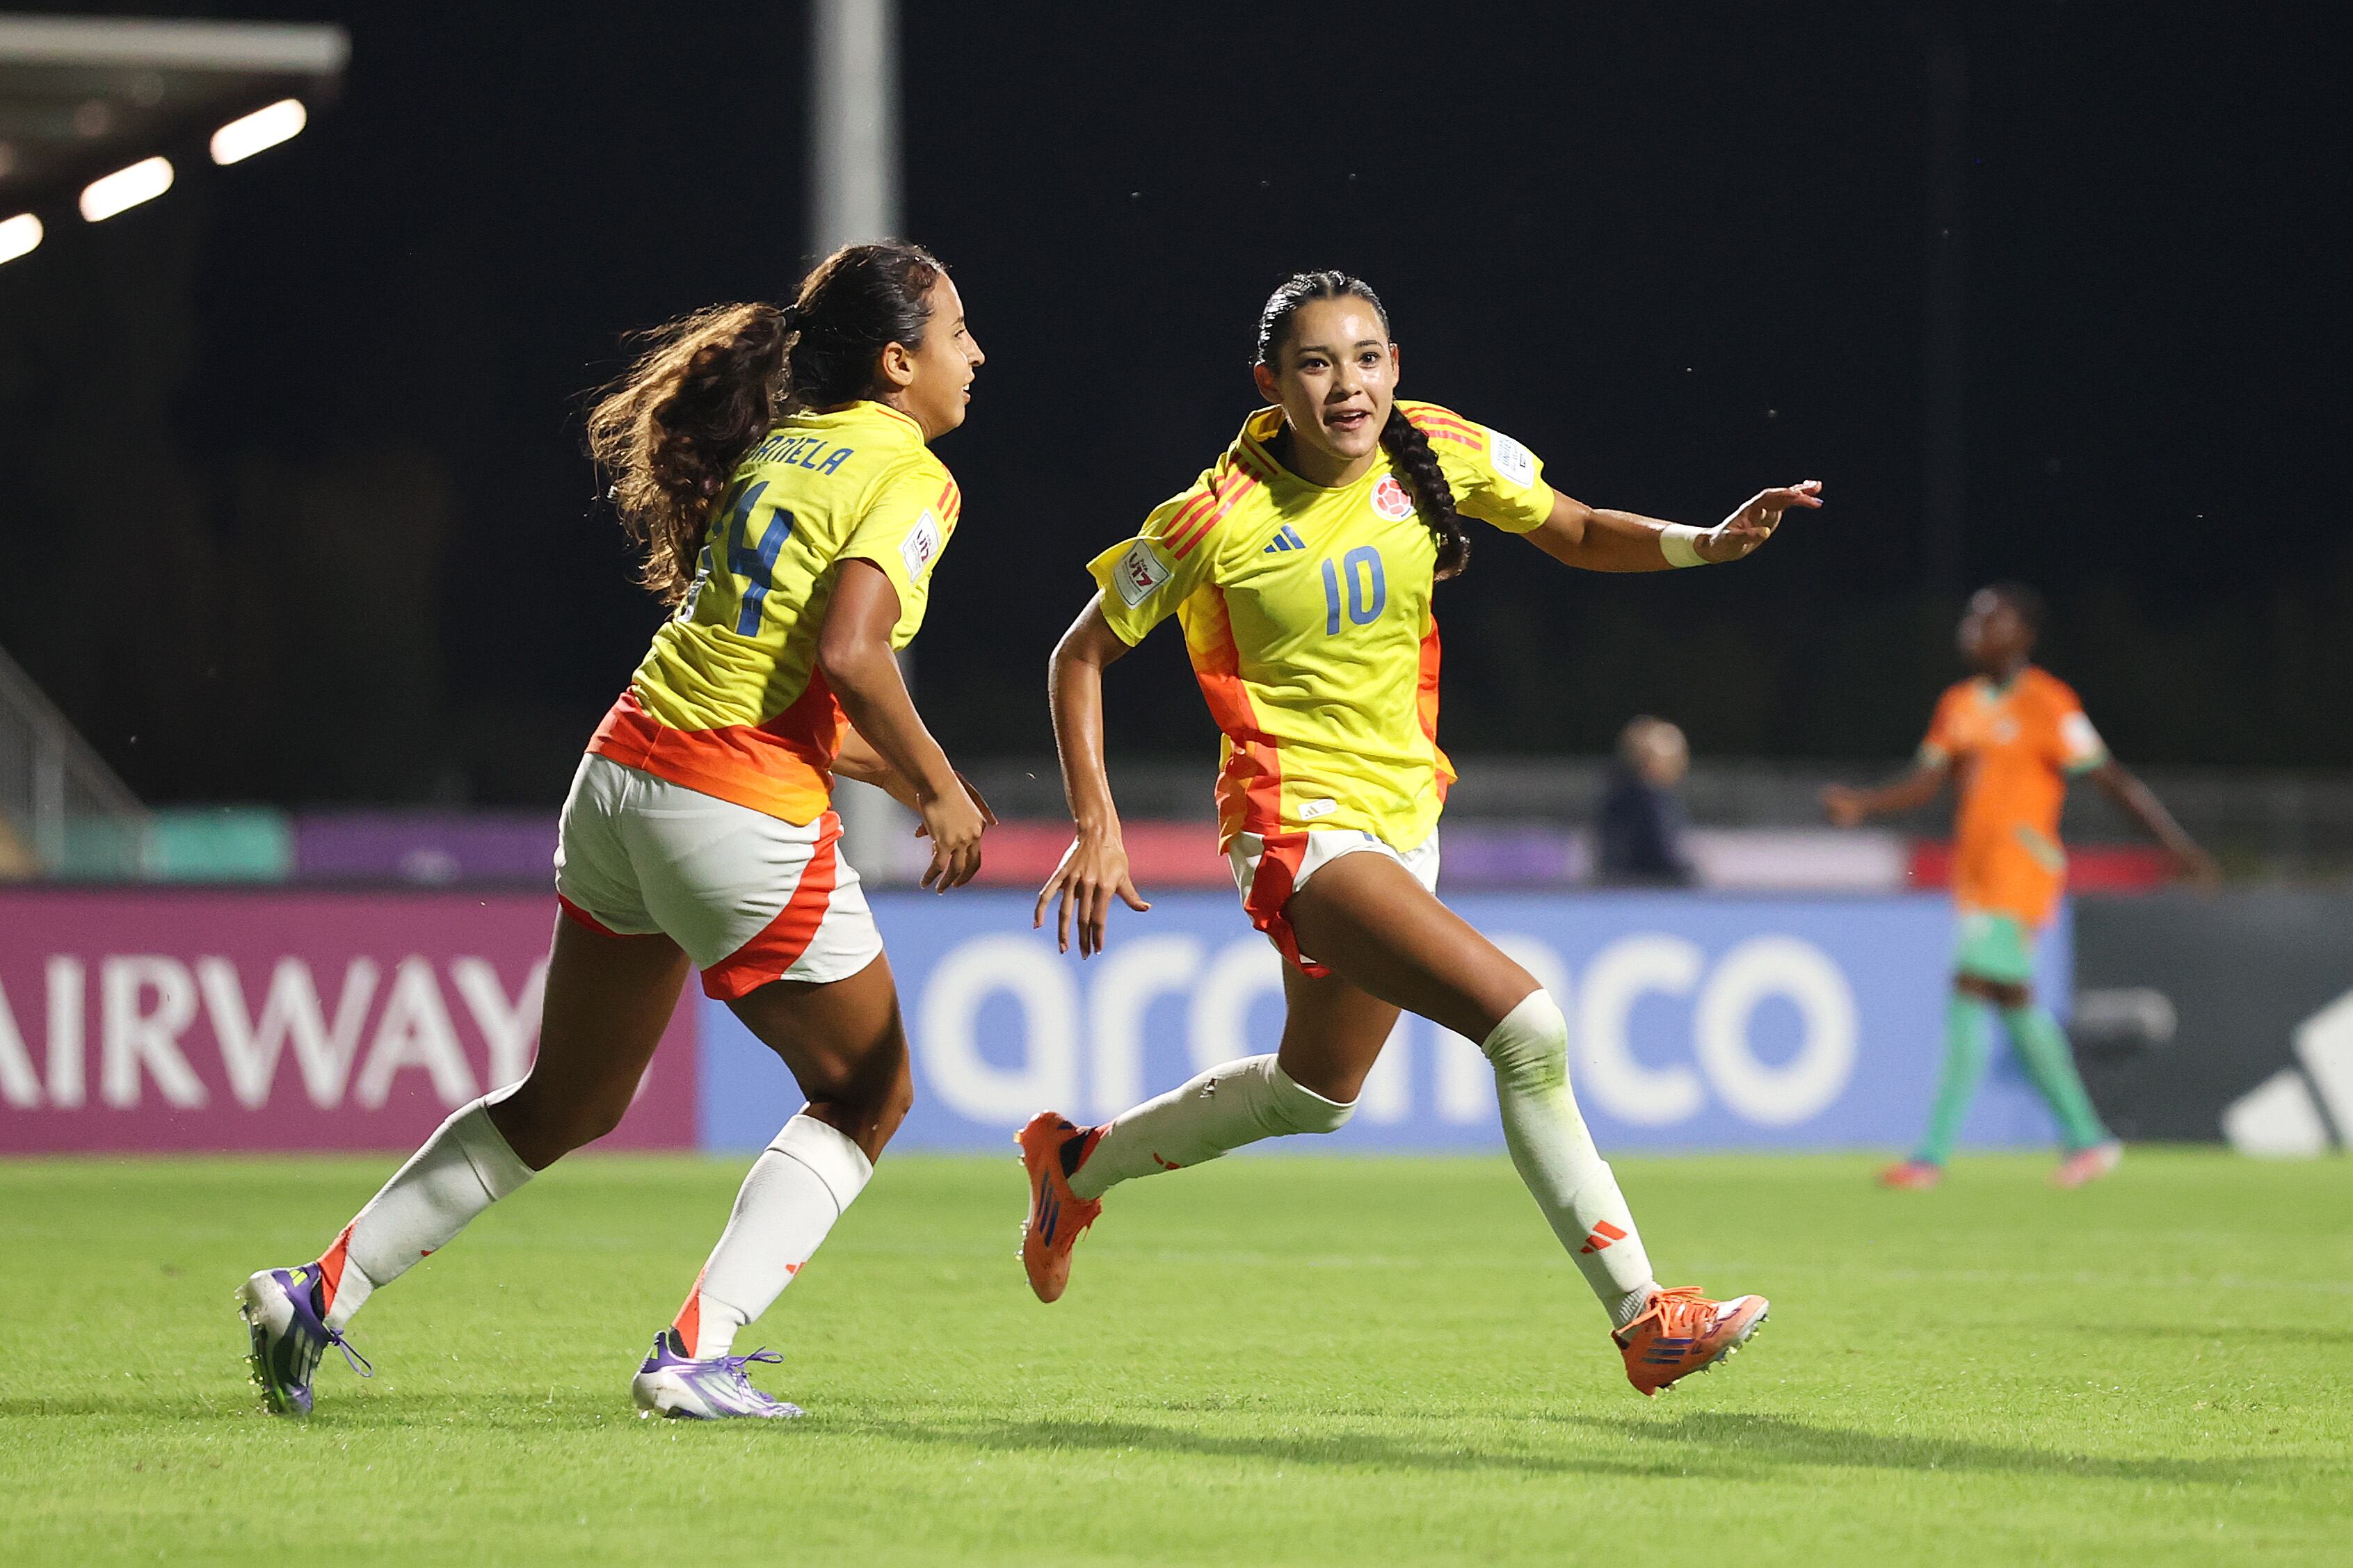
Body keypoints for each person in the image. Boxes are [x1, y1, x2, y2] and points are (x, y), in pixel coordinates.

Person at [1025, 270, 1822, 1397]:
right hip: (1296, 829)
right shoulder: (1209, 519)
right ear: (1269, 384)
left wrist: (1706, 543)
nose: (1345, 385)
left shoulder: (1434, 449)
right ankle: (1647, 1318)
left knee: (1314, 1094)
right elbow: (1079, 656)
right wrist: (1095, 824)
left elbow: (1579, 529)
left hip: (1405, 821)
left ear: (1395, 368)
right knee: (1527, 1028)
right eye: (1314, 363)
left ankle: (1072, 1169)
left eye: (1365, 358)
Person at [238, 241, 995, 1419]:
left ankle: (318, 1289)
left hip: (622, 776)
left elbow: (765, 669)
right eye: (957, 333)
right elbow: (852, 649)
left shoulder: (784, 449)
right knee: (870, 1093)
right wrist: (940, 785)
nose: (974, 354)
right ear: (900, 363)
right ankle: (695, 1352)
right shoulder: (908, 472)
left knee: (567, 1103)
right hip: (728, 804)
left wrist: (890, 776)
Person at [1823, 581, 2217, 1190]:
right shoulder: (1959, 702)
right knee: (2013, 1005)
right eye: (1970, 617)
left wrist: (2173, 844)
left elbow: (2108, 779)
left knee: (1969, 986)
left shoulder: (2049, 702)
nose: (1971, 627)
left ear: (2023, 635)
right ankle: (2087, 1139)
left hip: (2021, 871)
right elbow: (1925, 783)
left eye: (1988, 618)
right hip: (1976, 876)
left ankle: (1930, 1157)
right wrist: (1864, 805)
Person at [1596, 716, 1697, 886]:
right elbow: (1663, 855)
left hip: (1617, 890)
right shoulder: (1652, 801)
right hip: (1649, 895)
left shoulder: (1615, 798)